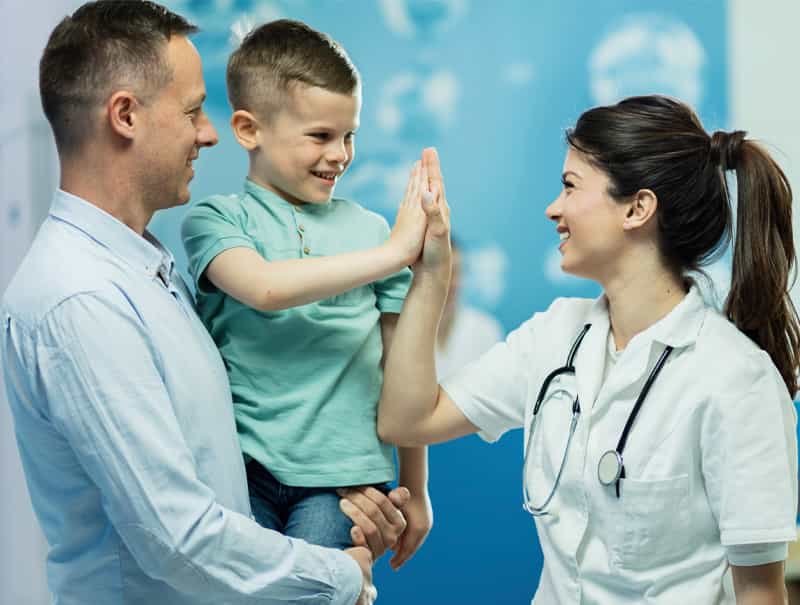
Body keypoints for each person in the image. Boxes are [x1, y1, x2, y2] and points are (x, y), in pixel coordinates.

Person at [1, 3, 408, 604]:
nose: (209, 133)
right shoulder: (81, 300)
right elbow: (178, 538)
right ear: (125, 115)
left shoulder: (145, 269)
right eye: (193, 111)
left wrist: (340, 508)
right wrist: (341, 575)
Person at [376, 97, 799, 603]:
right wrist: (432, 276)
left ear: (637, 208)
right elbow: (407, 421)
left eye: (571, 186)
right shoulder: (553, 336)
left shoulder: (735, 378)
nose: (553, 208)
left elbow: (760, 593)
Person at [180, 19, 432, 570]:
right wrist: (394, 253)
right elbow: (265, 288)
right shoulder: (215, 221)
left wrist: (416, 487)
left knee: (313, 591)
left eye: (349, 135)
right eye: (320, 136)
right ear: (249, 129)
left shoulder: (370, 231)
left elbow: (403, 367)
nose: (340, 154)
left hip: (345, 485)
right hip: (241, 472)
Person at [435, 238, 504, 380]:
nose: (454, 282)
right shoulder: (403, 329)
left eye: (458, 271)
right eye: (445, 272)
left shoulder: (485, 329)